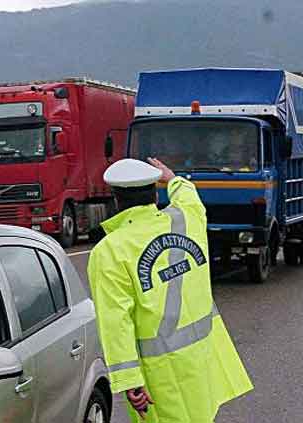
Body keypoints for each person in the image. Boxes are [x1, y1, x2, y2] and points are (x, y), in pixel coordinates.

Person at [88, 158, 253, 422]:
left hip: (162, 375)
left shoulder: (110, 251)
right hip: (203, 361)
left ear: (116, 199)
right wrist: (172, 178)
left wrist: (130, 380)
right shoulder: (186, 220)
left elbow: (115, 322)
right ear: (155, 193)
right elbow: (190, 196)